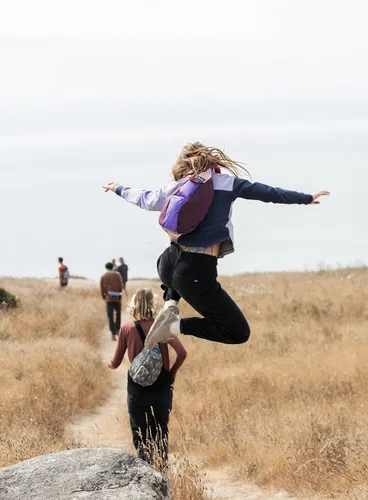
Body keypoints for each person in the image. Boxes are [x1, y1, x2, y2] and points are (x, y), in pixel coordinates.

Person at [103, 142, 330, 349]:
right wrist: (306, 198)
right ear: (213, 162)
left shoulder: (183, 185)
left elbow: (147, 199)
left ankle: (171, 302)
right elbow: (270, 193)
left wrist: (119, 188)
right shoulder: (229, 184)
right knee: (238, 332)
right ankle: (173, 327)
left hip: (166, 263)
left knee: (179, 272)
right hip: (195, 271)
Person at [108, 288, 186, 467]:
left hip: (137, 387)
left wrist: (110, 364)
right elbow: (182, 353)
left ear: (134, 304)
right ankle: (162, 473)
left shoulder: (127, 328)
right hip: (162, 385)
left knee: (140, 432)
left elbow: (116, 362)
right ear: (153, 304)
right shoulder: (162, 327)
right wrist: (171, 373)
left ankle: (146, 475)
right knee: (160, 431)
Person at [100, 262, 123, 340]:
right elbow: (121, 285)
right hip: (117, 297)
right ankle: (118, 331)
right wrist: (119, 294)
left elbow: (102, 288)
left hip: (108, 298)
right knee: (118, 314)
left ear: (106, 268)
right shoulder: (117, 275)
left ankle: (112, 334)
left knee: (110, 316)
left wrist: (104, 296)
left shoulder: (103, 276)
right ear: (113, 267)